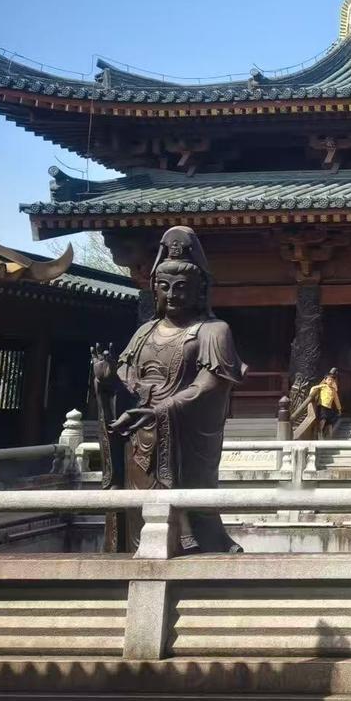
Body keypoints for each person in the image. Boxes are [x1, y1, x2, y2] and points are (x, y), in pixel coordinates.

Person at [91, 225, 245, 554]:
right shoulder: (145, 331)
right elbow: (128, 380)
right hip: (140, 434)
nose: (172, 295)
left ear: (199, 291)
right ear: (154, 289)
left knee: (183, 508)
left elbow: (209, 383)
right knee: (139, 510)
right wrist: (105, 378)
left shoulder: (213, 331)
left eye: (182, 287)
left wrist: (165, 408)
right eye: (164, 286)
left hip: (182, 435)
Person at [313, 370, 343, 440]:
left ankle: (329, 436)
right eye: (329, 380)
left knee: (330, 422)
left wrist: (339, 409)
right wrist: (311, 395)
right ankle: (319, 434)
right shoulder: (323, 386)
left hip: (329, 408)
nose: (330, 381)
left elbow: (336, 400)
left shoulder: (333, 390)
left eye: (332, 380)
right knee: (322, 420)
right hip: (322, 406)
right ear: (325, 380)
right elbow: (313, 388)